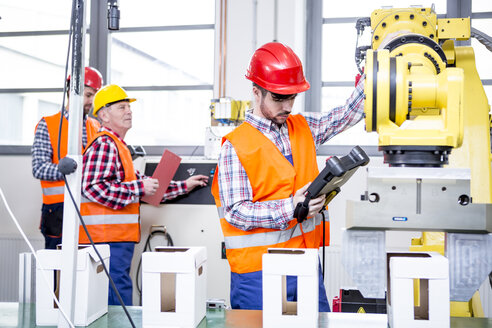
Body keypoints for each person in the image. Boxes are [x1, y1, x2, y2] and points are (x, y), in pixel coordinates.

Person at [211, 42, 365, 311]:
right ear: (256, 93)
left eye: (292, 97)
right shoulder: (235, 146)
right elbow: (235, 212)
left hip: (305, 263)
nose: (287, 105)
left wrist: (376, 72)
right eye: (278, 98)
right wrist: (291, 207)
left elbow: (346, 114)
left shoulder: (303, 127)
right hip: (257, 273)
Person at [80, 84, 209, 306]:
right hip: (104, 239)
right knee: (115, 298)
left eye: (129, 107)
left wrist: (184, 185)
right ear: (104, 115)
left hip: (115, 238)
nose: (129, 111)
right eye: (121, 107)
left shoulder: (118, 146)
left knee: (117, 293)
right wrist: (139, 189)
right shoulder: (104, 144)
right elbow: (92, 187)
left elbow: (147, 185)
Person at [32, 66, 103, 250]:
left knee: (86, 269)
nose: (92, 101)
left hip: (89, 208)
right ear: (72, 92)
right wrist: (61, 169)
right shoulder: (48, 124)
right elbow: (38, 168)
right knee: (57, 270)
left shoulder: (96, 126)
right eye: (88, 95)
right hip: (58, 211)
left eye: (95, 95)